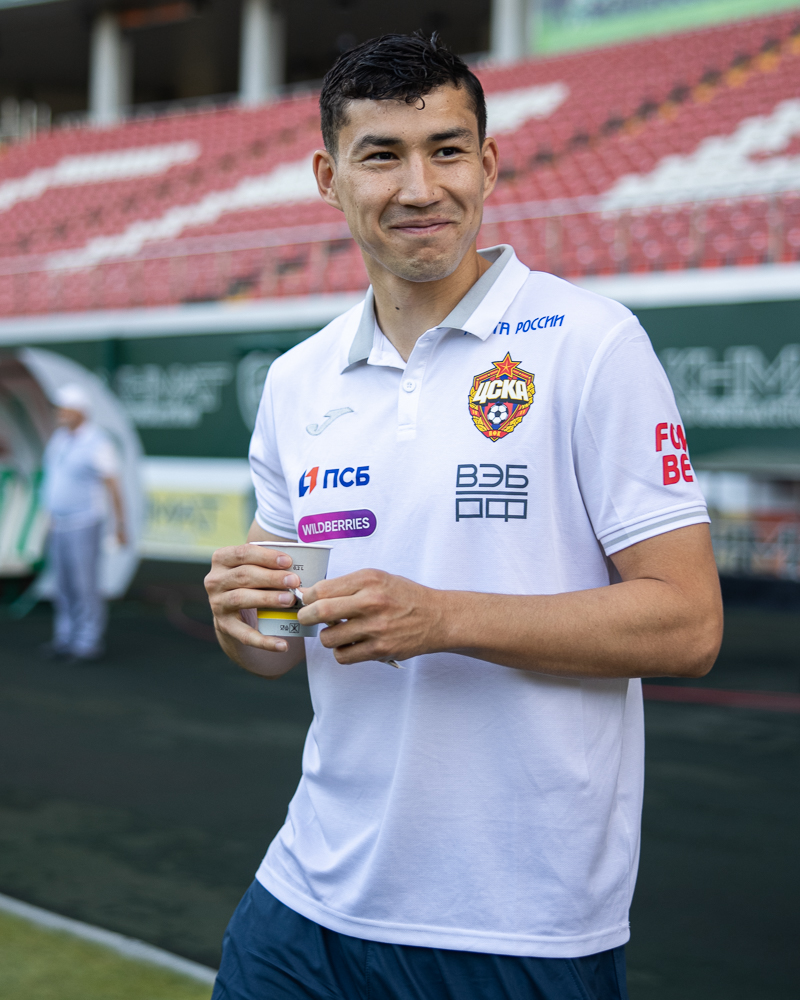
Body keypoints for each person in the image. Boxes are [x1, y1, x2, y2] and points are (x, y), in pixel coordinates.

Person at [204, 33, 723, 1000]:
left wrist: (442, 617)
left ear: (486, 165)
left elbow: (688, 624)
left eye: (445, 150)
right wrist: (243, 617)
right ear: (328, 178)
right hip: (305, 899)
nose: (420, 187)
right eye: (381, 155)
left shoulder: (590, 342)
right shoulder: (297, 379)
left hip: (518, 924)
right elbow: (274, 646)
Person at [41, 383, 126, 662]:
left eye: (65, 409)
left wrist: (120, 526)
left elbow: (113, 485)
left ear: (80, 411)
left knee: (84, 585)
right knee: (63, 585)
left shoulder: (98, 442)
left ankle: (87, 642)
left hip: (84, 523)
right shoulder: (59, 439)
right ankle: (65, 637)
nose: (60, 414)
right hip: (59, 523)